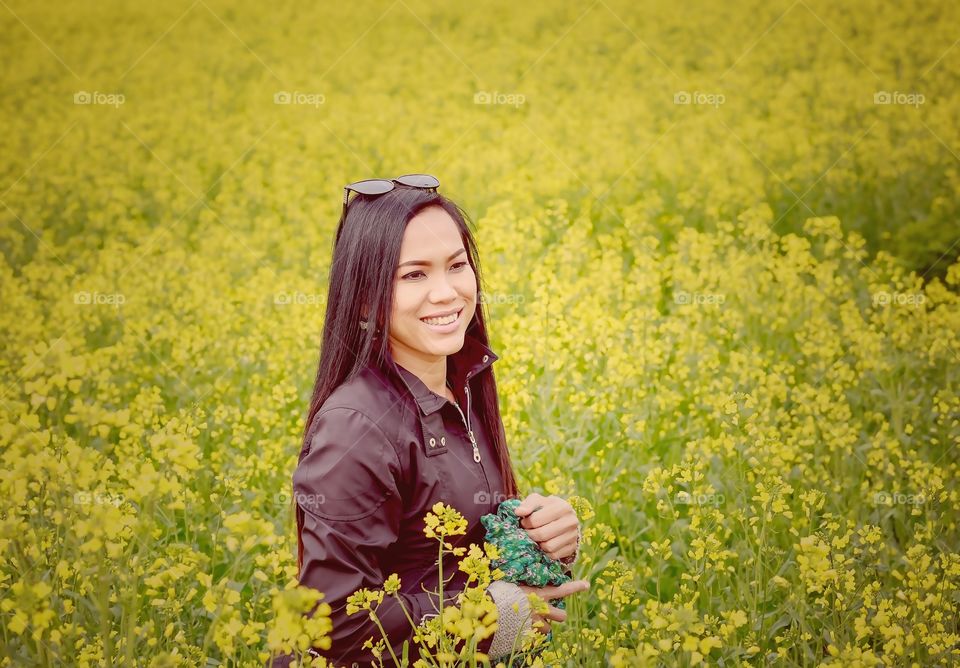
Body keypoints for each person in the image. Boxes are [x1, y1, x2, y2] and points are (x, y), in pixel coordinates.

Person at [271, 174, 589, 667]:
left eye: (457, 266)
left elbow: (454, 550)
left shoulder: (460, 384)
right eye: (414, 275)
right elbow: (330, 625)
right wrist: (491, 615)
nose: (446, 293)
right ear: (364, 298)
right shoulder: (355, 428)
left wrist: (540, 538)